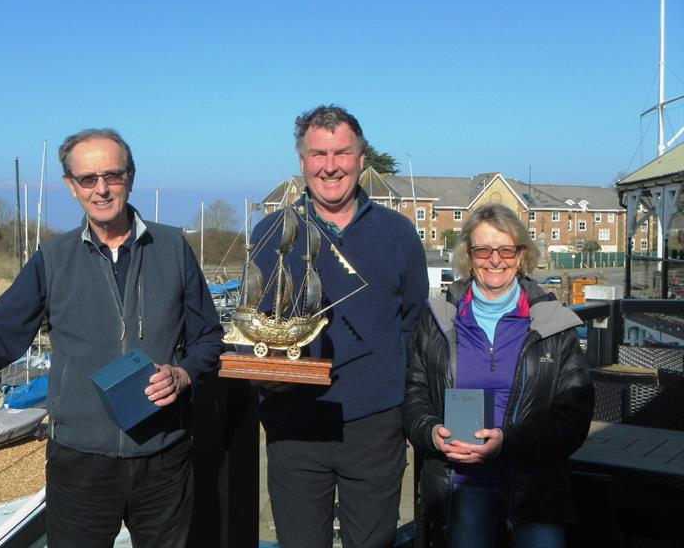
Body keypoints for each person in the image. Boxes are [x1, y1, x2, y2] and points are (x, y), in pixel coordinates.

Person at [0, 128, 224, 548]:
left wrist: (184, 375)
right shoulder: (52, 259)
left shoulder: (175, 247)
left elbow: (208, 337)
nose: (101, 189)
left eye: (112, 176)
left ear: (131, 177)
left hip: (164, 458)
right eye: (88, 179)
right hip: (79, 463)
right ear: (71, 187)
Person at [250, 105, 428, 548]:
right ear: (303, 161)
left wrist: (402, 405)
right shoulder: (273, 232)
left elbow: (413, 324)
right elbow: (254, 327)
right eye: (318, 154)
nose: (330, 166)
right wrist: (267, 383)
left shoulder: (399, 234)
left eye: (342, 153)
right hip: (295, 426)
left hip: (375, 426)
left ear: (361, 159)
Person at [403, 204, 594, 548]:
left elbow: (575, 414)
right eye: (483, 249)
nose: (495, 259)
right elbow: (414, 394)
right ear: (468, 255)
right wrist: (432, 433)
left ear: (521, 255)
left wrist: (509, 441)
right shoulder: (437, 319)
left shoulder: (553, 323)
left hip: (536, 488)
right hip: (463, 485)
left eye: (506, 249)